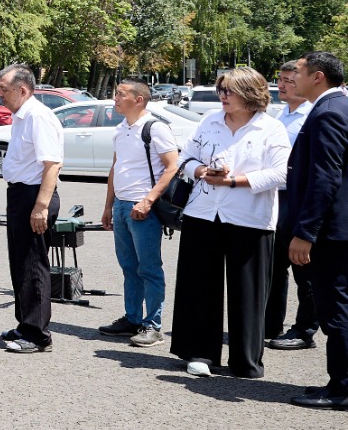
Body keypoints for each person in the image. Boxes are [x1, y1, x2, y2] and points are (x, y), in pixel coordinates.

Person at [169, 66, 289, 379]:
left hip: (250, 216)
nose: (222, 96)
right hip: (203, 212)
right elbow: (185, 158)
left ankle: (245, 360)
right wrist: (200, 171)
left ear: (250, 94)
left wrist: (234, 181)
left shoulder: (271, 128)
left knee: (247, 291)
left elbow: (280, 173)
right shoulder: (209, 121)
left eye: (229, 91)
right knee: (198, 286)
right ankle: (199, 353)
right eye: (221, 90)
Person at [285, 51, 348, 409]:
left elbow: (325, 178)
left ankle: (341, 388)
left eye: (299, 72)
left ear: (318, 76)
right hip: (336, 228)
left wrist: (305, 232)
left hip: (331, 232)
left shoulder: (328, 112)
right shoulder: (335, 106)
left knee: (336, 310)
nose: (292, 78)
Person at [99, 79, 179, 348]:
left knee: (149, 269)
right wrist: (108, 206)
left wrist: (148, 200)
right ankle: (132, 319)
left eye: (121, 94)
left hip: (144, 208)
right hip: (122, 205)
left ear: (139, 99)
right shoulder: (121, 129)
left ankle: (153, 326)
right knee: (129, 267)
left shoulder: (155, 128)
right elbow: (116, 167)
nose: (115, 98)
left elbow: (172, 167)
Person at [0, 64, 63, 353]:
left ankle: (38, 334)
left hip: (35, 196)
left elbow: (52, 164)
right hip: (20, 194)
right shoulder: (22, 116)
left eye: (3, 89)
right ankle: (25, 324)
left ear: (22, 90)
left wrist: (41, 207)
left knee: (33, 265)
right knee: (20, 264)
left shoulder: (38, 116)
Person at [267, 60, 318, 350]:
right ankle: (270, 324)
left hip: (299, 197)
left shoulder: (312, 115)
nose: (283, 85)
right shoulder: (280, 114)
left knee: (304, 267)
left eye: (289, 80)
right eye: (281, 79)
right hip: (277, 196)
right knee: (274, 266)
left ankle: (305, 330)